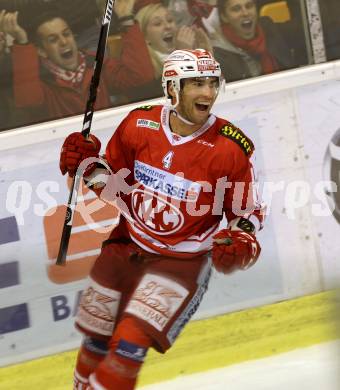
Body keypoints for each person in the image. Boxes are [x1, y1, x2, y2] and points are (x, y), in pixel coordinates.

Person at [59, 48, 265, 389]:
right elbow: (114, 187)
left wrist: (242, 239)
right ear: (172, 89)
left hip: (179, 262)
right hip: (126, 246)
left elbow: (247, 212)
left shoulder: (231, 147)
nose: (208, 93)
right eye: (196, 83)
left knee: (129, 344)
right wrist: (86, 164)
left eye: (213, 83)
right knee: (96, 338)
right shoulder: (138, 124)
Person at [2, 8, 154, 123]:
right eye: (53, 39)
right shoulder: (40, 80)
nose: (64, 42)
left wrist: (126, 20)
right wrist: (22, 42)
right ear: (42, 51)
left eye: (66, 34)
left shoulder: (95, 63)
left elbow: (139, 76)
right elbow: (29, 101)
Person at [125, 0, 213, 100]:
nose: (168, 26)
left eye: (170, 20)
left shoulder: (189, 50)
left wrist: (207, 59)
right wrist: (183, 59)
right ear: (145, 37)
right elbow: (169, 99)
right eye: (158, 24)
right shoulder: (143, 67)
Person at [211, 0, 298, 82]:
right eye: (236, 9)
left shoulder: (270, 29)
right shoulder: (219, 55)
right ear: (224, 17)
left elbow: (302, 27)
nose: (245, 13)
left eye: (249, 6)